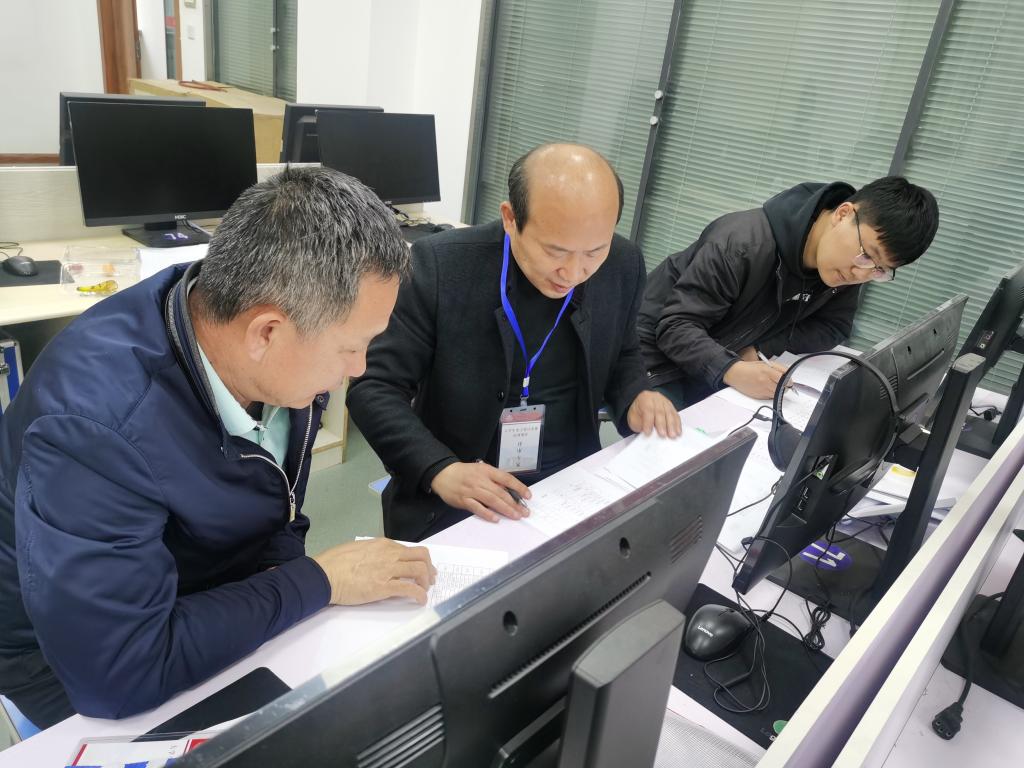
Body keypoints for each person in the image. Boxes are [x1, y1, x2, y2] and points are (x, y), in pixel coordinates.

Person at [0, 167, 435, 727]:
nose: (359, 368)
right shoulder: (94, 427)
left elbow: (276, 503)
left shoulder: (254, 335)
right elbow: (118, 674)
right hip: (71, 660)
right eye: (352, 348)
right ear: (266, 333)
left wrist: (295, 592)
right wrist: (320, 582)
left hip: (198, 589)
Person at [348, 143, 681, 542]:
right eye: (555, 251)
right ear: (510, 218)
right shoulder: (442, 266)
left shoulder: (623, 264)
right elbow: (374, 387)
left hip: (572, 482)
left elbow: (623, 352)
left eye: (594, 251)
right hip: (464, 485)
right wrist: (439, 469)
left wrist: (635, 395)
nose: (573, 272)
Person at [637, 176, 939, 407]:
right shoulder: (742, 245)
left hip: (713, 361)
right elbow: (675, 327)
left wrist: (760, 347)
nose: (861, 274)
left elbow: (834, 326)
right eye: (867, 255)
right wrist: (732, 369)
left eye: (880, 270)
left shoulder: (843, 268)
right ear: (843, 214)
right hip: (653, 360)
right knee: (681, 451)